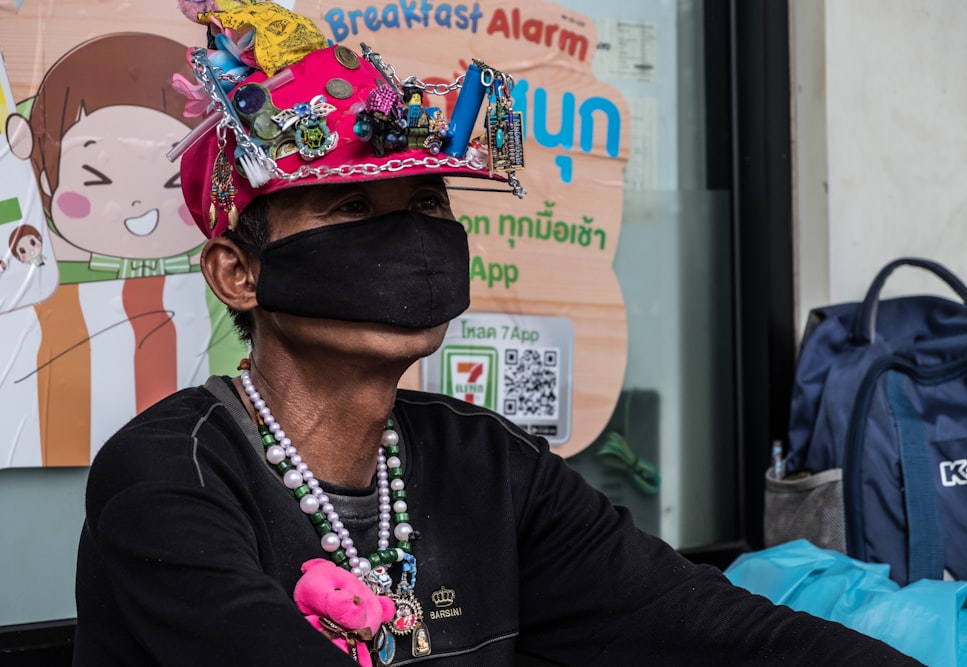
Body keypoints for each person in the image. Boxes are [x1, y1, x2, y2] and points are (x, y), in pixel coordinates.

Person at [73, 4, 923, 665]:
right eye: (352, 208)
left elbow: (713, 632)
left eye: (429, 206)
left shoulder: (485, 466)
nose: (408, 239)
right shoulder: (169, 478)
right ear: (238, 273)